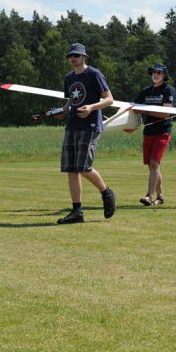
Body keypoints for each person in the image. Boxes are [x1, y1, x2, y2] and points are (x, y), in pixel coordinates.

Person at [57, 43, 116, 224]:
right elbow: (71, 101)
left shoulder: (94, 74)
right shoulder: (68, 78)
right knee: (71, 170)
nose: (73, 58)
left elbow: (109, 99)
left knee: (83, 167)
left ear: (84, 57)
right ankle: (77, 212)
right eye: (70, 56)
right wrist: (63, 110)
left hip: (90, 126)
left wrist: (91, 107)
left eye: (76, 55)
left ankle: (107, 193)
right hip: (72, 126)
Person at [132, 63, 176, 206]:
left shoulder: (168, 90)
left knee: (154, 164)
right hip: (148, 131)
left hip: (162, 131)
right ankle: (160, 196)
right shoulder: (146, 91)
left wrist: (144, 110)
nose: (156, 74)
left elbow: (165, 113)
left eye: (159, 73)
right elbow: (132, 105)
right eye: (154, 72)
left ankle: (148, 196)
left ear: (164, 76)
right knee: (152, 167)